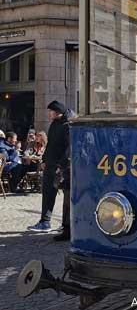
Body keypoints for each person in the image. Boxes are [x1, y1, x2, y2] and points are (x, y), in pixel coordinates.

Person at [27, 101, 71, 238]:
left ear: (58, 112)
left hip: (61, 167)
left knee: (67, 198)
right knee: (47, 193)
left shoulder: (68, 125)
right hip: (50, 165)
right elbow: (50, 144)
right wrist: (45, 160)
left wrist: (61, 165)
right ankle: (45, 222)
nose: (48, 114)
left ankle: (67, 228)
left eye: (50, 111)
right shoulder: (54, 124)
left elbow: (69, 149)